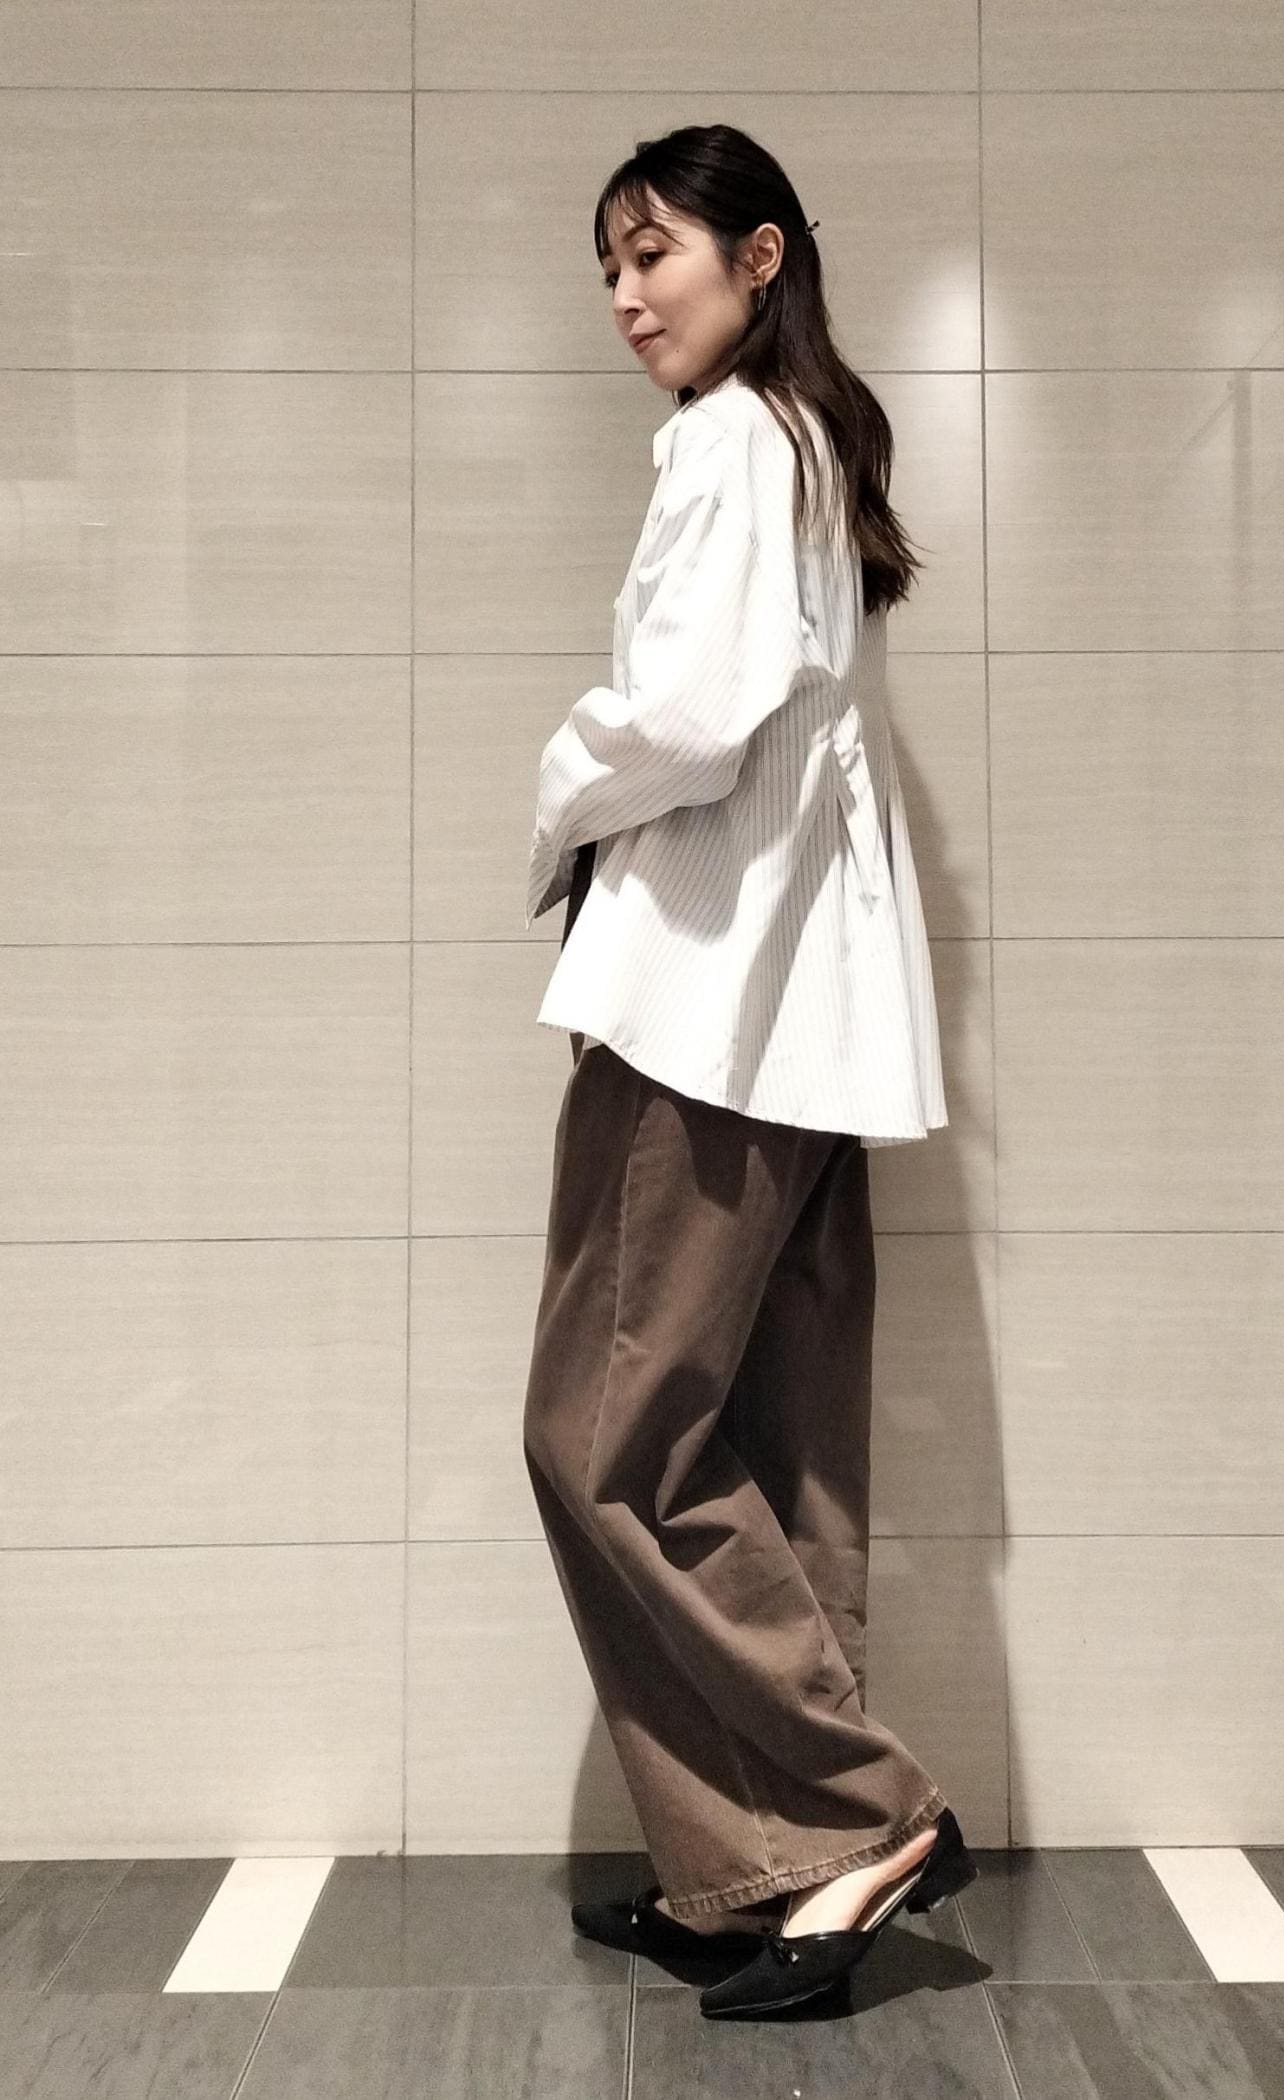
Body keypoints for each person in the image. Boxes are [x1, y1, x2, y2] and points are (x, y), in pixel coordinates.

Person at [520, 123, 975, 2019]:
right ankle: (757, 1872)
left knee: (602, 1440)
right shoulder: (812, 442)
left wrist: (559, 783)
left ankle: (857, 1816)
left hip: (711, 1013)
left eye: (655, 255)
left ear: (760, 255)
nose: (627, 297)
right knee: (770, 1445)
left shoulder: (731, 442)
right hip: (813, 1026)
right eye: (609, 269)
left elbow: (691, 717)